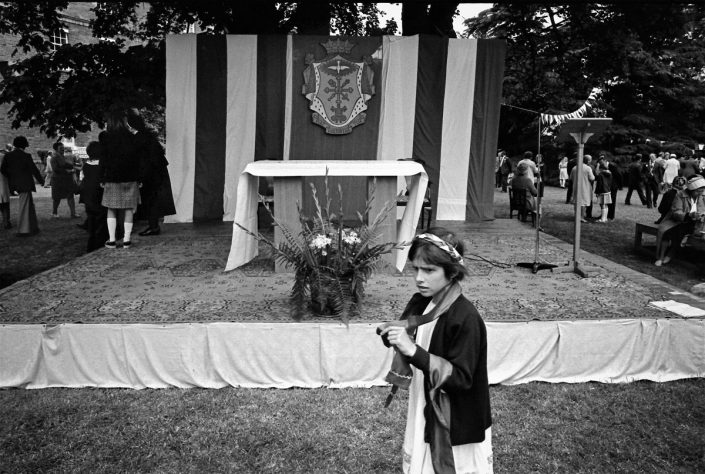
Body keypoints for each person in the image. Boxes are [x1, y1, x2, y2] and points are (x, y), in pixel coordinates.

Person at [377, 229, 492, 473]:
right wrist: (393, 335)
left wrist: (413, 351)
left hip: (454, 416)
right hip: (427, 398)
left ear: (452, 272)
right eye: (416, 269)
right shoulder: (421, 301)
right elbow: (409, 332)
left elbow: (461, 378)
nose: (419, 278)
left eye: (429, 270)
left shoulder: (465, 318)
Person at [126, 108, 176, 236]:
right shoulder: (147, 135)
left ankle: (153, 226)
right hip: (156, 171)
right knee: (152, 200)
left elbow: (142, 159)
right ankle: (153, 226)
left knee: (150, 200)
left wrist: (141, 176)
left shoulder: (139, 138)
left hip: (150, 173)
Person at [99, 109, 142, 248]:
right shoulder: (132, 137)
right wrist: (139, 177)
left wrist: (101, 177)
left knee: (111, 209)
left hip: (112, 177)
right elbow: (137, 160)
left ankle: (111, 240)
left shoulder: (105, 137)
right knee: (128, 208)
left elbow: (103, 159)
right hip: (130, 177)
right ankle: (126, 240)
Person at [655, 175, 705, 266]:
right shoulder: (680, 194)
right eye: (698, 191)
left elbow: (702, 209)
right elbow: (676, 211)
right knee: (668, 232)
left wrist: (700, 215)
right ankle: (661, 257)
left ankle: (670, 254)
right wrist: (689, 215)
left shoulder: (701, 197)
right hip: (680, 220)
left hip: (696, 223)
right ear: (692, 190)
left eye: (702, 191)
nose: (700, 193)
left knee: (680, 232)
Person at [0, 136, 44, 235]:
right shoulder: (26, 156)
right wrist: (42, 181)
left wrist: (12, 178)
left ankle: (33, 227)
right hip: (26, 184)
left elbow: (3, 170)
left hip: (15, 183)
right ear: (24, 145)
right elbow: (34, 170)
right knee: (25, 206)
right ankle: (23, 230)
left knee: (28, 206)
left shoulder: (8, 156)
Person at [80, 141, 109, 252]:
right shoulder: (101, 166)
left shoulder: (86, 166)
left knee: (92, 222)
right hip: (99, 196)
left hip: (88, 196)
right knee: (101, 223)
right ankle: (100, 244)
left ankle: (91, 245)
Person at [49, 141, 80, 218]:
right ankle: (54, 213)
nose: (63, 150)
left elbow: (66, 164)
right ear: (56, 149)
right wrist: (68, 170)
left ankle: (73, 213)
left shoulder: (62, 156)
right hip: (57, 180)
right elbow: (56, 169)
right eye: (61, 149)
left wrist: (74, 166)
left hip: (66, 179)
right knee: (57, 198)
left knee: (70, 195)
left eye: (63, 148)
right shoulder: (54, 157)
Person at [570, 154, 595, 223]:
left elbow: (571, 178)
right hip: (584, 188)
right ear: (587, 161)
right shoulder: (588, 168)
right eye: (590, 160)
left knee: (576, 202)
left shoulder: (574, 168)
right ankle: (581, 217)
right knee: (583, 203)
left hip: (576, 187)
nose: (591, 161)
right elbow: (592, 178)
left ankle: (576, 216)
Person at [0, 144, 12, 229]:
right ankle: (6, 222)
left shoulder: (4, 156)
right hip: (3, 181)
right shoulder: (3, 156)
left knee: (4, 202)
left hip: (3, 181)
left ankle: (6, 222)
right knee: (5, 203)